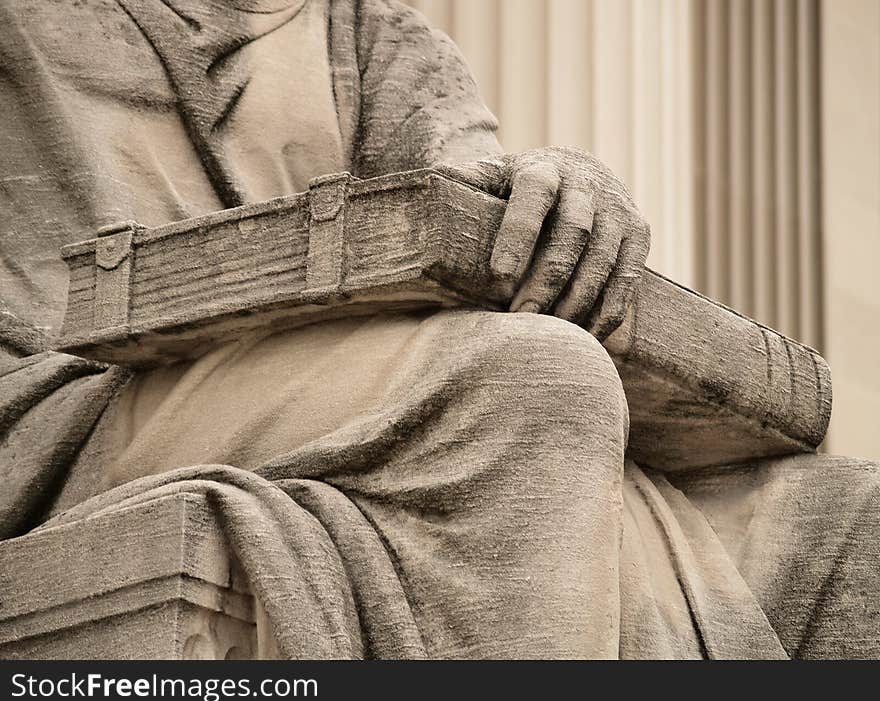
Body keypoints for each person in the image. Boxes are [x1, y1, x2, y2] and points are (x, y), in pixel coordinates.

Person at [1, 0, 877, 658]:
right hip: (67, 411)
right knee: (536, 380)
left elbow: (470, 193)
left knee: (843, 518)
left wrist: (556, 189)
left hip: (320, 383)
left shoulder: (367, 29)